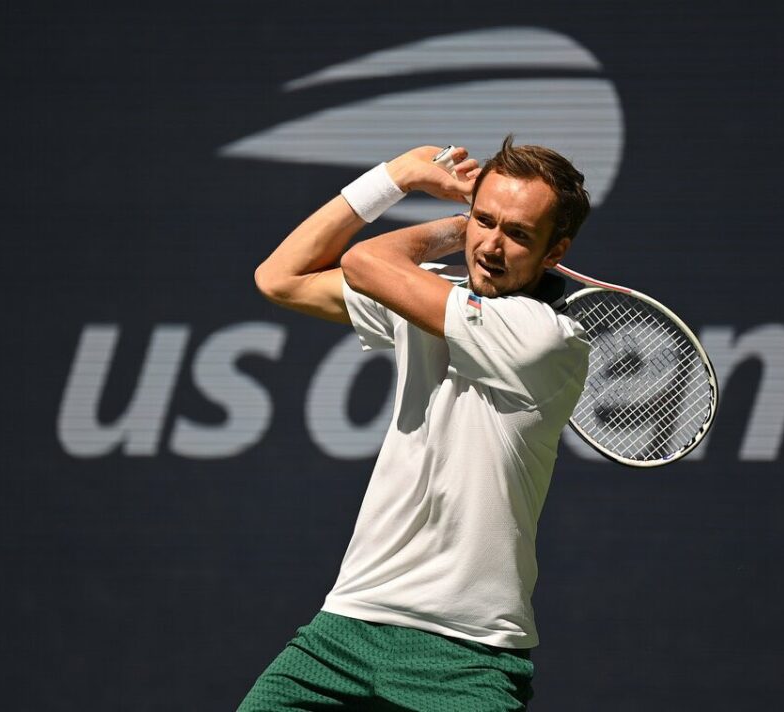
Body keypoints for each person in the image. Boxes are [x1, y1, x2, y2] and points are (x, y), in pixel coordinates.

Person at [238, 136, 592, 711]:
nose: (493, 246)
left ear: (556, 252)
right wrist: (390, 178)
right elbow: (279, 277)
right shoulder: (432, 296)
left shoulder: (546, 339)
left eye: (518, 234)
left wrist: (442, 214)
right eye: (485, 220)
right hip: (345, 628)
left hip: (465, 655)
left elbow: (363, 261)